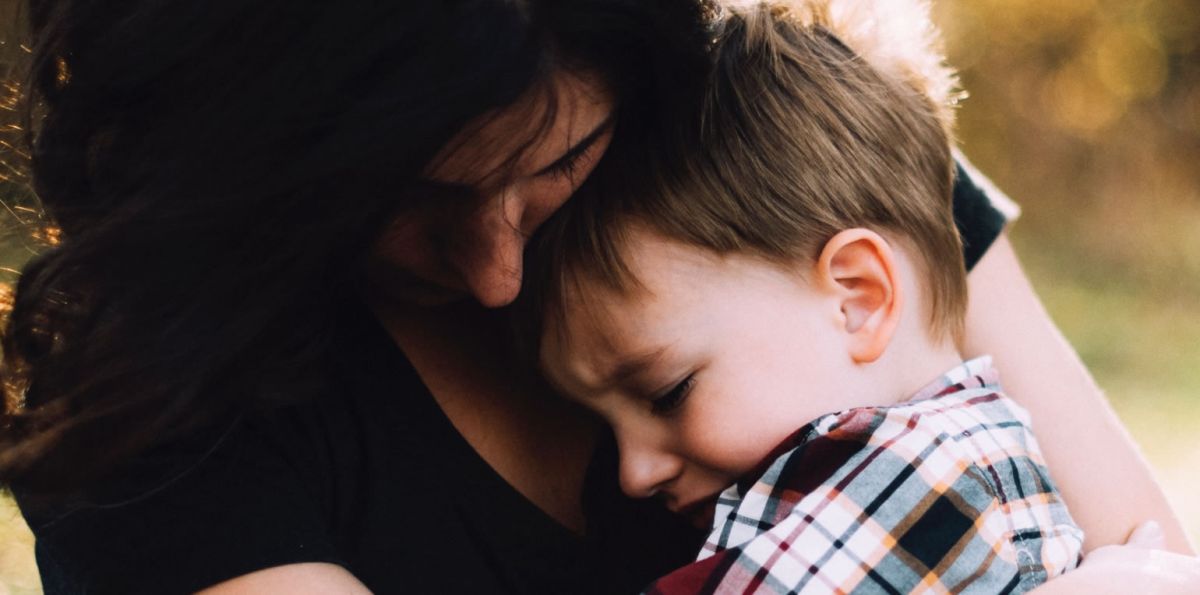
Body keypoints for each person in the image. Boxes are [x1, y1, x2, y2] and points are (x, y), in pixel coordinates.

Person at [0, 0, 1192, 593]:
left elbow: (1141, 561)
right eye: (400, 197)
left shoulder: (796, 156)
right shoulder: (163, 408)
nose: (496, 273)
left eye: (554, 168)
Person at [522, 1, 1084, 591]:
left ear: (858, 299)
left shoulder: (914, 484)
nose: (633, 473)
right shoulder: (964, 455)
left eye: (668, 394)